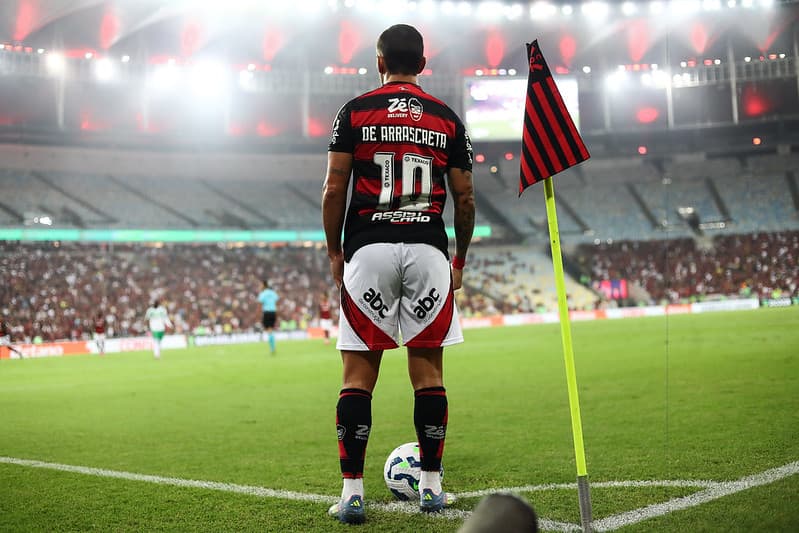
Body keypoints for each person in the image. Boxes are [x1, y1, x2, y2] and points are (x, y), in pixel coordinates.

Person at [322, 23, 475, 524]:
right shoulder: (447, 119)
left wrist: (334, 252)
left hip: (369, 247)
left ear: (379, 62)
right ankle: (431, 486)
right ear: (423, 66)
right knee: (428, 374)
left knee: (357, 377)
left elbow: (334, 188)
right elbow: (466, 198)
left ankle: (352, 495)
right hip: (429, 249)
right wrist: (460, 258)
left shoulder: (354, 112)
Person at [257, 280, 279, 354]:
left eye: (261, 285)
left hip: (267, 312)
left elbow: (260, 303)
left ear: (264, 285)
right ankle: (272, 347)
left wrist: (259, 314)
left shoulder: (263, 293)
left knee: (269, 330)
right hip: (273, 312)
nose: (260, 286)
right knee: (271, 329)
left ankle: (272, 348)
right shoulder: (273, 292)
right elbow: (277, 301)